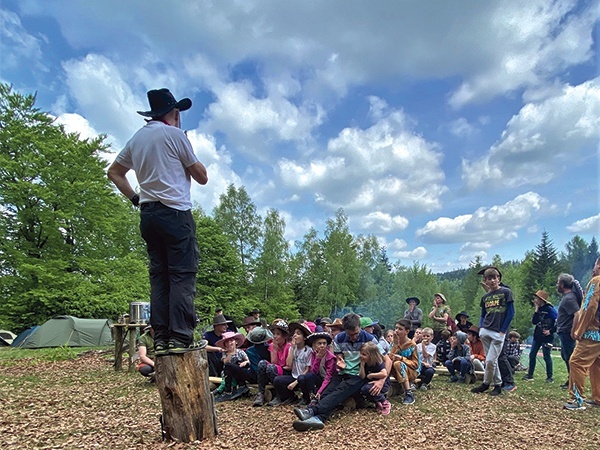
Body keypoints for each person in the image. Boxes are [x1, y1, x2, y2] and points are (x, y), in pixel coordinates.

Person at [107, 88, 208, 355]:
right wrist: (186, 146)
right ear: (172, 113)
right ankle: (181, 337)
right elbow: (202, 176)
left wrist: (135, 198)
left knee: (159, 277)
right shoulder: (175, 135)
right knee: (181, 275)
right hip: (175, 212)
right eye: (177, 112)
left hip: (148, 213)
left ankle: (161, 338)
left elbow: (114, 172)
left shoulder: (137, 139)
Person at [292, 313, 389, 432]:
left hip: (359, 374)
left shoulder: (369, 339)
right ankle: (319, 418)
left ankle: (312, 411)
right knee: (328, 391)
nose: (353, 337)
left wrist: (381, 380)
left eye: (356, 334)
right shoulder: (339, 338)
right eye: (350, 334)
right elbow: (339, 356)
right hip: (343, 371)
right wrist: (340, 361)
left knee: (340, 391)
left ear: (359, 327)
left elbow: (387, 359)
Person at [471, 266, 515, 396]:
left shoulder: (506, 292)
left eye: (494, 278)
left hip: (498, 332)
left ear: (499, 279)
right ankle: (496, 385)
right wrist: (481, 328)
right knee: (491, 360)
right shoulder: (485, 297)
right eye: (488, 279)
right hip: (485, 330)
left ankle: (487, 383)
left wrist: (503, 330)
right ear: (485, 281)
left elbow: (511, 313)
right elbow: (483, 314)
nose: (491, 281)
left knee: (490, 360)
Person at [564, 256, 600, 411]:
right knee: (596, 364)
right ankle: (598, 397)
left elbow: (589, 306)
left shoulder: (597, 281)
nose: (593, 269)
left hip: (593, 332)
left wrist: (580, 328)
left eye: (595, 264)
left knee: (576, 362)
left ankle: (577, 400)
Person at [270, 322, 314, 406]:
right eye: (294, 334)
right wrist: (292, 348)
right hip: (293, 375)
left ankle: (306, 398)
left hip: (303, 378)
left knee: (301, 378)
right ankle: (290, 396)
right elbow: (288, 364)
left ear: (304, 338)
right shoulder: (292, 348)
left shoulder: (308, 350)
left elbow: (308, 369)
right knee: (277, 380)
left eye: (298, 334)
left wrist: (296, 382)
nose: (295, 336)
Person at [253, 319, 291, 407]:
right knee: (262, 363)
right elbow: (274, 362)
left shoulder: (289, 347)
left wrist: (277, 368)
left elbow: (289, 366)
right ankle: (261, 393)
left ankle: (280, 395)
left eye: (278, 334)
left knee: (271, 368)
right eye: (274, 334)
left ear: (284, 336)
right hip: (276, 370)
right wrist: (274, 350)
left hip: (286, 372)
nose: (275, 336)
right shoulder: (272, 346)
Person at [523, 290, 557, 383]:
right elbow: (534, 321)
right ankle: (530, 374)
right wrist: (536, 309)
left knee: (546, 356)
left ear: (541, 299)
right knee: (532, 354)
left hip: (547, 337)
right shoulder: (538, 309)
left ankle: (549, 377)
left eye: (536, 298)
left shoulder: (550, 309)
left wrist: (550, 331)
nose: (535, 300)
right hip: (537, 336)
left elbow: (558, 322)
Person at [556, 273, 582, 389]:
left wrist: (573, 330)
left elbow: (577, 314)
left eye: (558, 283)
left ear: (562, 284)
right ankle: (571, 380)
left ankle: (574, 382)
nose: (557, 285)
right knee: (565, 356)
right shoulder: (568, 297)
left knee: (570, 357)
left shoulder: (569, 298)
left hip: (567, 332)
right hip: (564, 331)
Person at [296, 332, 336, 407]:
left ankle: (316, 397)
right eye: (319, 343)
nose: (322, 346)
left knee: (309, 377)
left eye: (324, 343)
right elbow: (313, 371)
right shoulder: (314, 354)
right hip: (319, 377)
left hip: (328, 381)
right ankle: (307, 398)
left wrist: (320, 391)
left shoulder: (331, 358)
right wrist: (318, 359)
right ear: (314, 345)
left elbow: (328, 377)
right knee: (302, 377)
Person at [389, 318, 420, 404]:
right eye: (396, 328)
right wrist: (395, 345)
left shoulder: (412, 345)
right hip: (396, 371)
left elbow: (416, 364)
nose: (397, 331)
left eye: (400, 329)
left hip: (410, 371)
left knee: (398, 364)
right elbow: (389, 358)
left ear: (407, 331)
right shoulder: (394, 342)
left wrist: (403, 359)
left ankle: (409, 393)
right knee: (392, 363)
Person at [213, 331, 248, 402]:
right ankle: (223, 391)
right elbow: (225, 362)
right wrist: (229, 354)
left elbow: (248, 360)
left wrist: (245, 362)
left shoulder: (240, 352)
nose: (230, 343)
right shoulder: (225, 354)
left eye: (231, 341)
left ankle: (225, 391)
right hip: (228, 374)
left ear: (236, 342)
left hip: (239, 373)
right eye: (227, 342)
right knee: (227, 370)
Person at [359, 341, 391, 415]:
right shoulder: (365, 362)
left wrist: (372, 375)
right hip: (371, 383)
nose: (361, 356)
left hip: (383, 384)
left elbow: (384, 373)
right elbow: (362, 376)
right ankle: (378, 402)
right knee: (363, 389)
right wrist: (362, 366)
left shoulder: (378, 362)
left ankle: (385, 403)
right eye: (361, 353)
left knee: (367, 389)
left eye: (364, 354)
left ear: (371, 355)